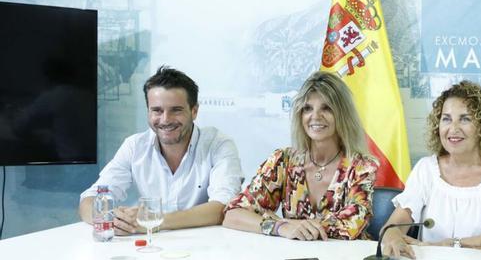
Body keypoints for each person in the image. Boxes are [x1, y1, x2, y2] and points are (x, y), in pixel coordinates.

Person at [78, 66, 244, 233]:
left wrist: (152, 220)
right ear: (148, 111)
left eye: (176, 110)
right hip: (147, 248)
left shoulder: (219, 145)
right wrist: (113, 219)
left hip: (204, 248)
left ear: (194, 111)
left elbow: (224, 207)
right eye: (157, 110)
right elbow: (89, 200)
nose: (165, 120)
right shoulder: (134, 146)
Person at [382, 80, 481, 258]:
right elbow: (391, 228)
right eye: (446, 119)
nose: (453, 129)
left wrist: (453, 244)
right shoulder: (426, 168)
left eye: (465, 119)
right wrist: (394, 238)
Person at [223, 71, 377, 240]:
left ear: (342, 115)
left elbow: (351, 227)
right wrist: (280, 226)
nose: (315, 116)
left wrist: (289, 223)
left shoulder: (361, 167)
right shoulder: (283, 161)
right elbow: (233, 214)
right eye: (307, 108)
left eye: (327, 108)